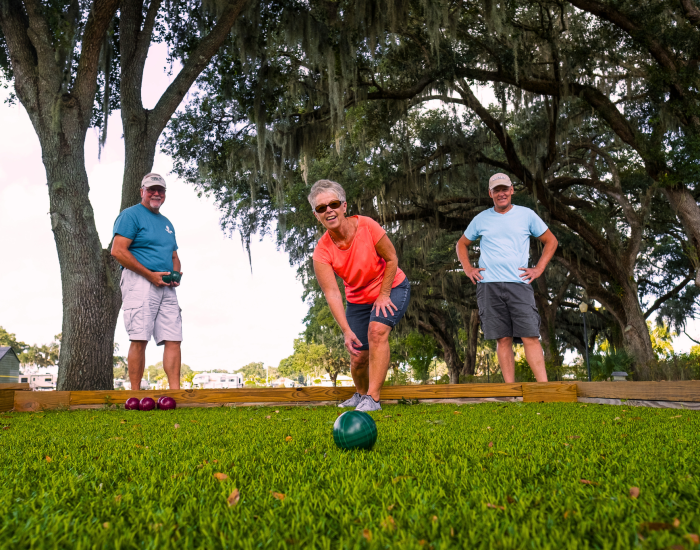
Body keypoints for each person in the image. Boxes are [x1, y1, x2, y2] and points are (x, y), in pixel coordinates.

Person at [311, 180, 410, 412]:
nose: (329, 210)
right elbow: (332, 293)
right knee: (357, 356)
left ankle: (373, 400)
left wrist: (384, 294)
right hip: (358, 300)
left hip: (391, 285)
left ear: (344, 206)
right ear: (317, 215)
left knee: (376, 331)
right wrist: (346, 331)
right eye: (321, 208)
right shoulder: (322, 251)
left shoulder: (367, 226)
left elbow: (392, 258)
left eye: (333, 204)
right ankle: (361, 394)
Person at [455, 173, 558, 383]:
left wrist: (538, 269)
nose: (501, 193)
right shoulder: (481, 218)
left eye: (504, 189)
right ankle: (509, 390)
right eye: (496, 190)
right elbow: (461, 244)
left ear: (512, 190)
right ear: (490, 193)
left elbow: (551, 241)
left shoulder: (526, 215)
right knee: (503, 338)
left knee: (530, 335)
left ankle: (544, 387)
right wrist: (468, 268)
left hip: (519, 284)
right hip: (488, 285)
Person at [111, 173, 183, 390]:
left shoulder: (166, 223)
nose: (156, 193)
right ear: (142, 191)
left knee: (173, 338)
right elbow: (118, 251)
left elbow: (174, 256)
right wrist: (150, 275)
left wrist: (176, 275)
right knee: (139, 337)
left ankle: (175, 392)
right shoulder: (130, 215)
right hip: (140, 281)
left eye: (160, 190)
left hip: (166, 285)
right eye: (151, 189)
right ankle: (135, 393)